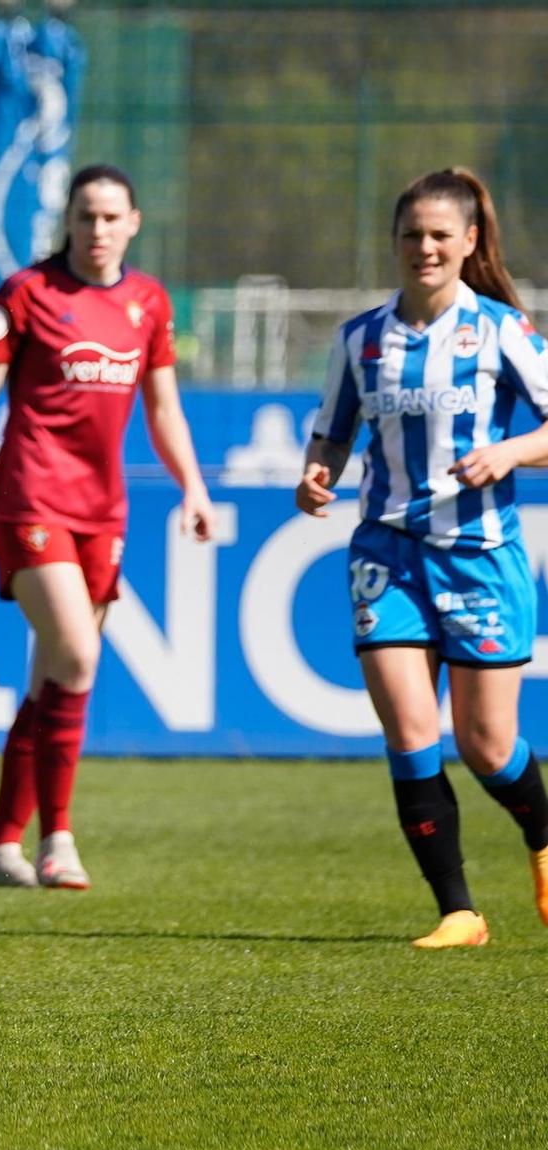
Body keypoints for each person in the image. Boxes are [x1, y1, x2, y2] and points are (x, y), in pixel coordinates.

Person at [0, 163, 217, 890]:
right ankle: (58, 840)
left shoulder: (149, 303)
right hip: (28, 502)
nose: (98, 230)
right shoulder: (27, 294)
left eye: (112, 217)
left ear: (135, 223)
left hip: (103, 513)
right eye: (86, 216)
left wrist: (195, 487)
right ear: (70, 221)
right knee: (79, 658)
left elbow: (164, 408)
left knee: (53, 675)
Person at [296, 166, 548, 949]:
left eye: (441, 235)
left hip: (479, 554)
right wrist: (317, 474)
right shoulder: (361, 338)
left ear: (470, 242)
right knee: (408, 729)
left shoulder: (503, 329)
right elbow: (333, 432)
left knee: (486, 744)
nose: (425, 248)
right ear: (395, 243)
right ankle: (458, 911)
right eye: (413, 235)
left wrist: (507, 453)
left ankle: (542, 843)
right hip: (388, 551)